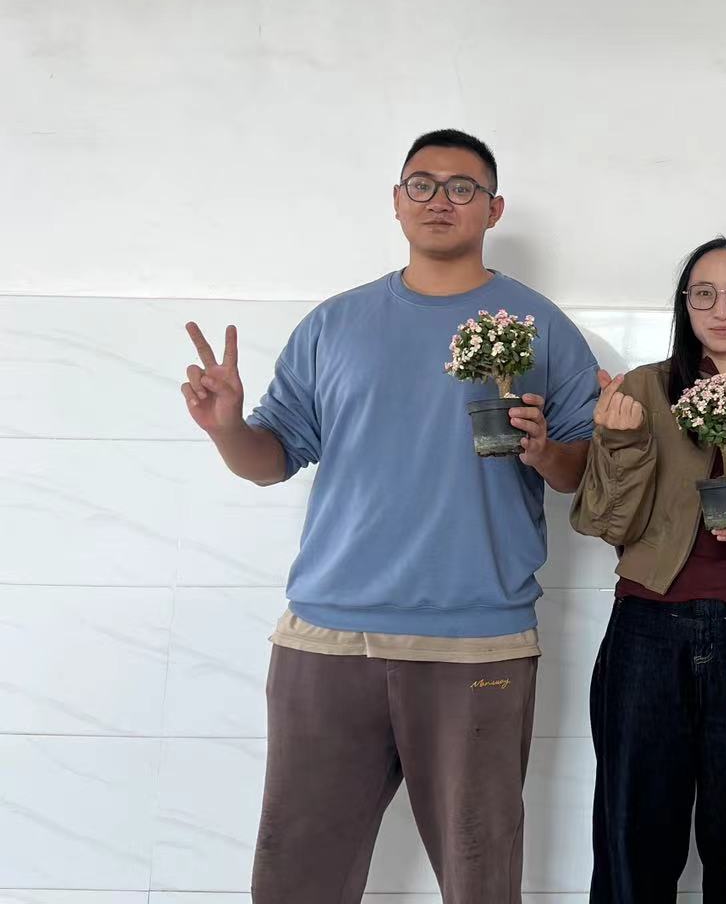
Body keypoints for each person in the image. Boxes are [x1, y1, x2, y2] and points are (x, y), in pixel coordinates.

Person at [178, 127, 601, 904]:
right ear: (397, 202)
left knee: (481, 880)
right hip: (329, 638)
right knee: (296, 877)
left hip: (478, 640)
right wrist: (228, 428)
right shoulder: (334, 325)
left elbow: (580, 474)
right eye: (422, 185)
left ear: (493, 208)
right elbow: (271, 460)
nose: (441, 200)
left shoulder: (539, 327)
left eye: (463, 187)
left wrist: (544, 451)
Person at [572, 236, 726, 904]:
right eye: (703, 294)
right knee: (633, 838)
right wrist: (623, 445)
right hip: (645, 633)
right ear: (685, 306)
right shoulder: (642, 391)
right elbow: (604, 524)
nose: (722, 309)